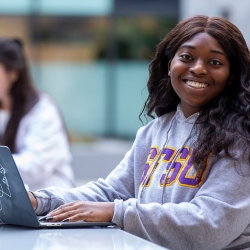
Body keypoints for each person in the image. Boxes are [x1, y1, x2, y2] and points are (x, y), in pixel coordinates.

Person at [28, 15, 250, 250]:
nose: (198, 68)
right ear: (169, 64)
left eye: (215, 62)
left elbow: (209, 226)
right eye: (186, 57)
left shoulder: (241, 141)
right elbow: (111, 192)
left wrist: (117, 212)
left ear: (232, 75)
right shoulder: (153, 132)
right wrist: (40, 201)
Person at [0, 38, 75, 190]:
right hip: (11, 204)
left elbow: (35, 166)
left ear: (13, 73)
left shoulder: (42, 110)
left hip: (52, 205)